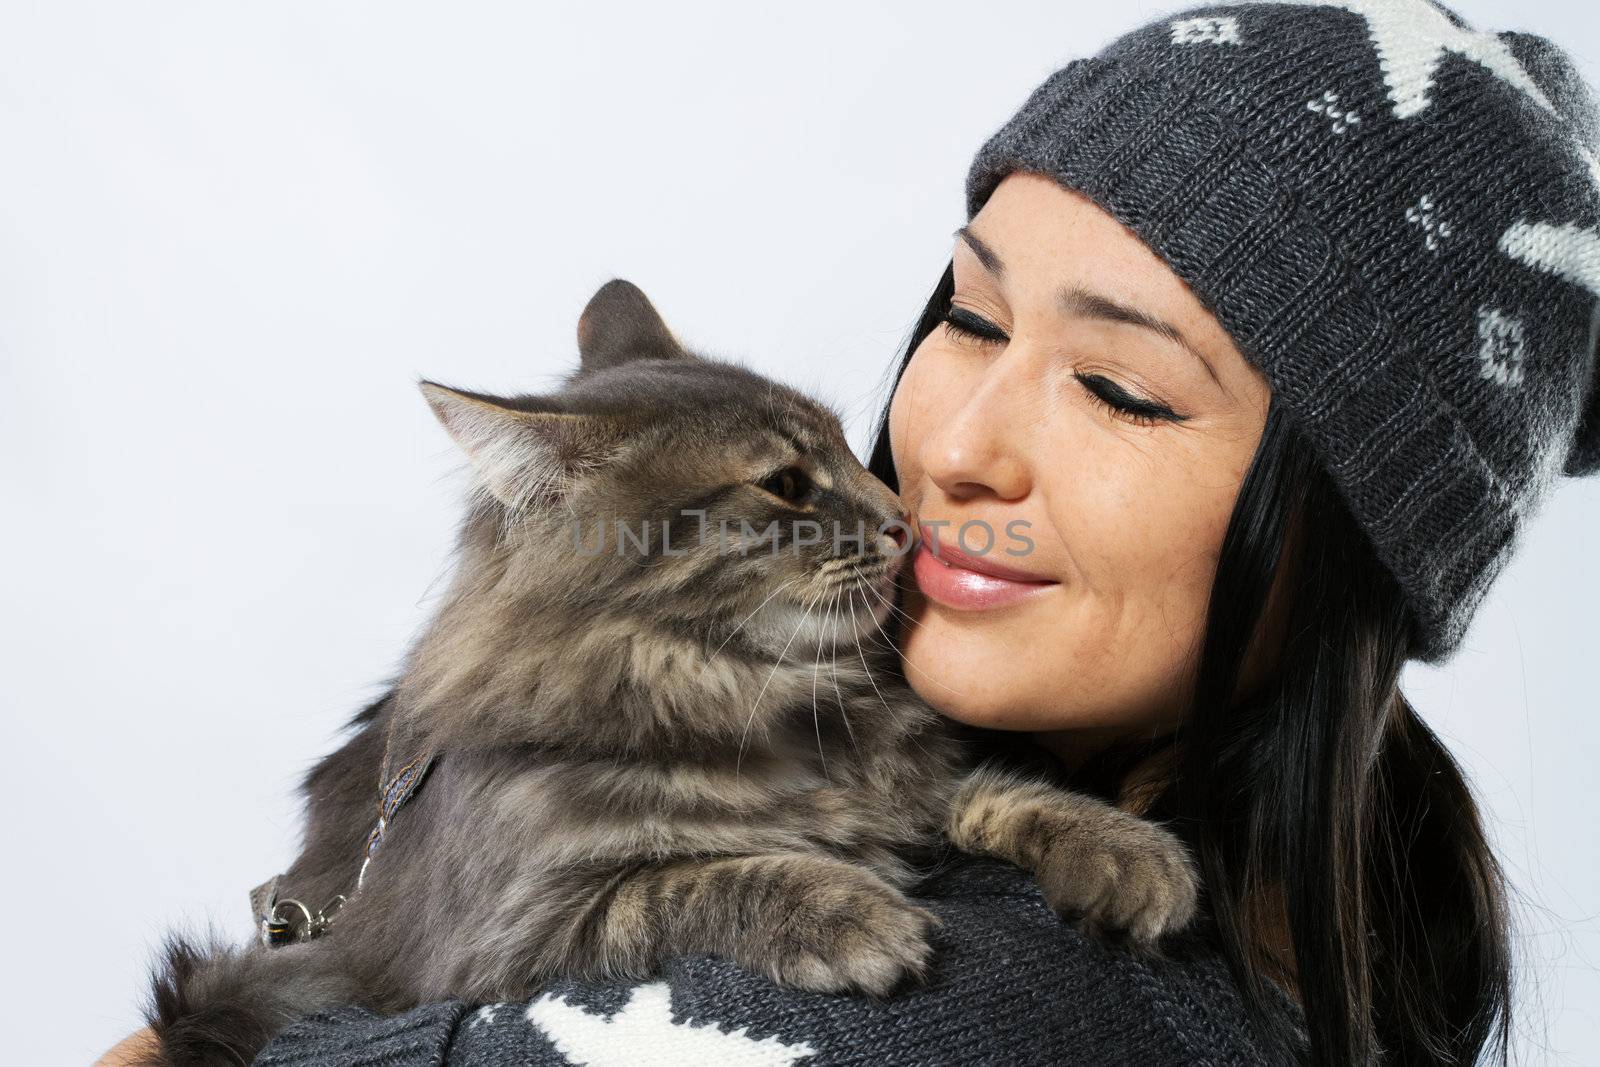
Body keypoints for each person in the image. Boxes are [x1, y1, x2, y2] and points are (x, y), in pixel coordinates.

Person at [101, 1, 1600, 1063]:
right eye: (969, 310)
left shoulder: (970, 1018)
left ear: (1356, 555)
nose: (945, 450)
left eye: (1124, 390)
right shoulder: (1312, 936)